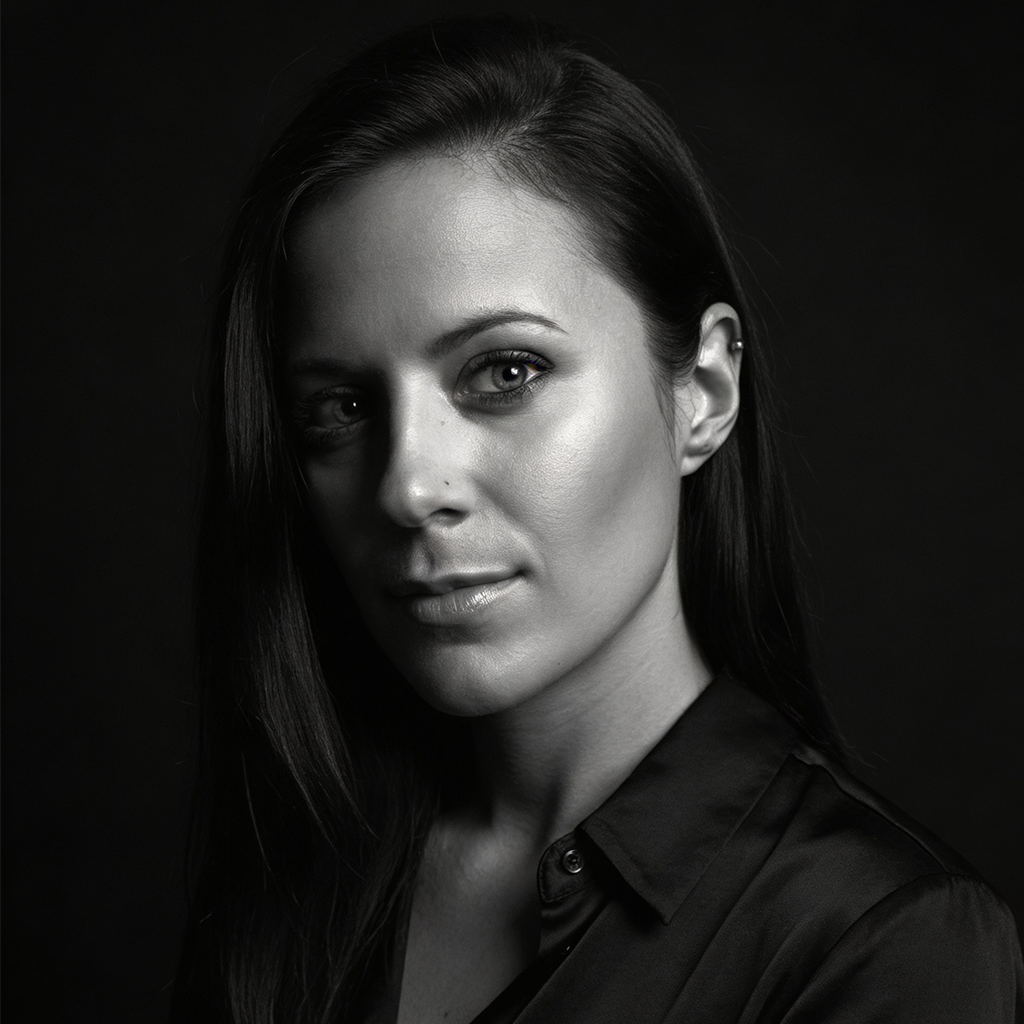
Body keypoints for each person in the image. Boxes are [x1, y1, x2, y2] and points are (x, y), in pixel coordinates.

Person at [171, 16, 1023, 1024]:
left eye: (505, 372)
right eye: (344, 407)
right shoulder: (301, 874)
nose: (407, 484)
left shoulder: (883, 943)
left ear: (703, 391)